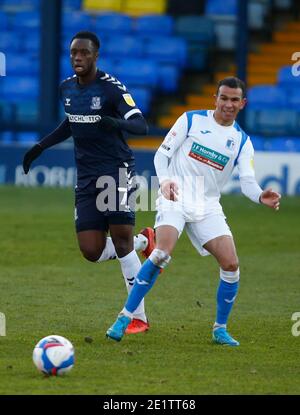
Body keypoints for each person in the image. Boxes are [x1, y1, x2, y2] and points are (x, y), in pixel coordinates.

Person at [106, 76, 282, 345]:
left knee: (231, 264)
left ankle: (220, 329)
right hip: (175, 195)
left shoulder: (242, 141)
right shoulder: (191, 120)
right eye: (223, 98)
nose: (228, 104)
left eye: (234, 99)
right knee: (162, 253)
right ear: (216, 99)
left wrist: (260, 196)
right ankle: (125, 316)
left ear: (242, 104)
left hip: (207, 204)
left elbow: (247, 181)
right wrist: (164, 182)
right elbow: (161, 155)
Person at [22, 31, 155, 334]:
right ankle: (145, 242)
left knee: (121, 239)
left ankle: (138, 316)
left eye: (84, 53)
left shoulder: (111, 90)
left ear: (96, 56)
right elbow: (71, 122)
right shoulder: (66, 88)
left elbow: (140, 124)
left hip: (116, 170)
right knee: (91, 251)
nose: (78, 58)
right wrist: (40, 147)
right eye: (73, 53)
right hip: (86, 177)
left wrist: (116, 122)